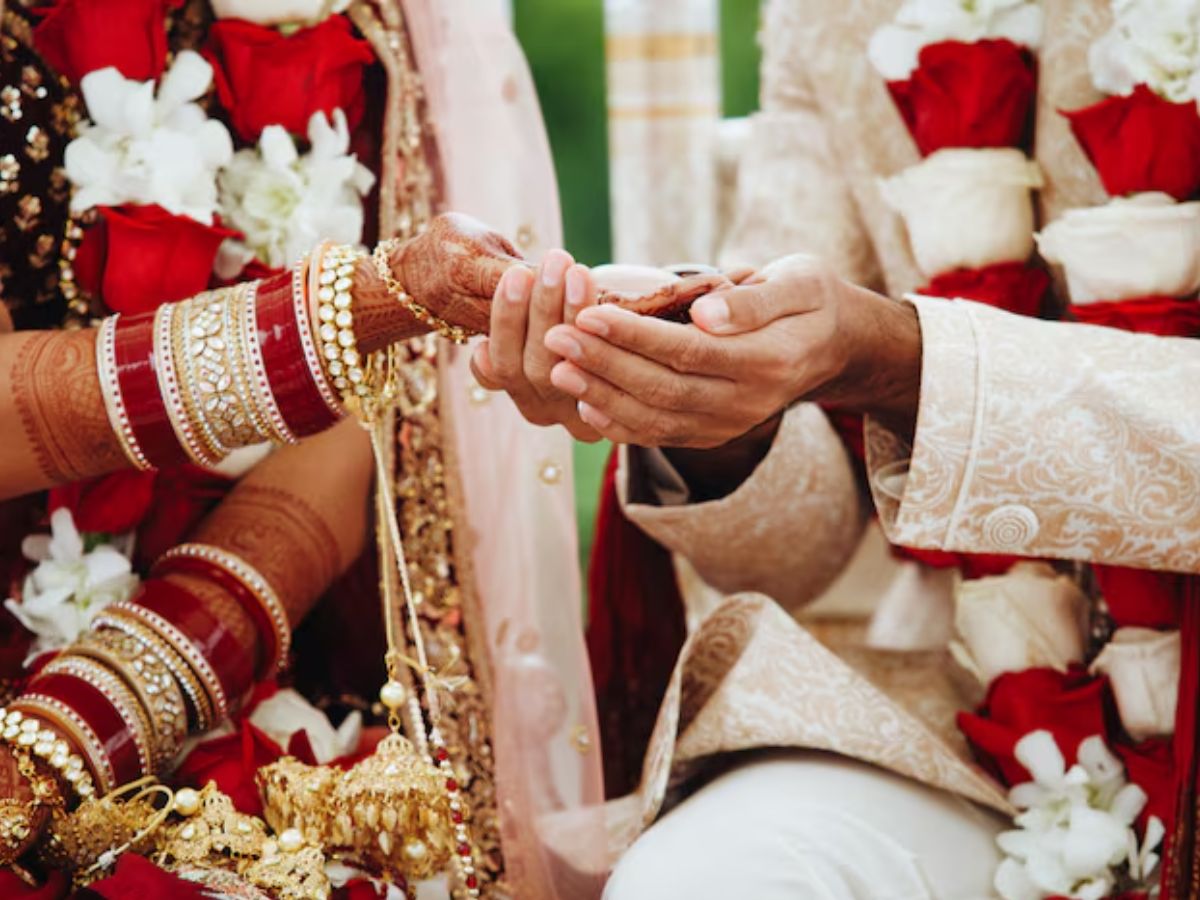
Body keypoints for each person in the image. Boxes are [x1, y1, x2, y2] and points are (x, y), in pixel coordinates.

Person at [478, 0, 1200, 895]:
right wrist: (707, 415)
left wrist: (903, 361)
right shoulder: (832, 13)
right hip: (978, 725)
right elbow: (794, 552)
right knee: (715, 878)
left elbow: (875, 352)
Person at [0, 2, 606, 897]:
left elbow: (348, 440)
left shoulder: (348, 23)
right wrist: (353, 311)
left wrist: (81, 731)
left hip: (227, 697)